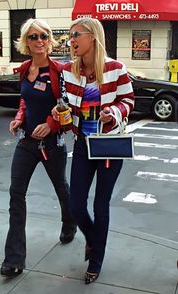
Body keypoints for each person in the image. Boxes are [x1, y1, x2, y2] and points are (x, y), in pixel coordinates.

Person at [53, 18, 135, 284]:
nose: (71, 40)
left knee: (101, 205)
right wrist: (60, 112)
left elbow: (128, 100)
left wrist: (115, 110)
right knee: (76, 204)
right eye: (70, 35)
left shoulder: (115, 68)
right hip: (82, 144)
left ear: (93, 37)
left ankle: (96, 260)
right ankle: (92, 239)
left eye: (76, 34)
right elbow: (65, 102)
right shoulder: (69, 70)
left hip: (107, 145)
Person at [0, 18, 77, 278]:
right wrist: (19, 118)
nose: (39, 40)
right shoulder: (25, 69)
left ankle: (70, 222)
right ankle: (14, 259)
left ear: (50, 40)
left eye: (44, 35)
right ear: (26, 42)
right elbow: (25, 99)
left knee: (61, 188)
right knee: (16, 194)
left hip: (51, 144)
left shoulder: (60, 71)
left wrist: (51, 123)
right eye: (33, 37)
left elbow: (67, 105)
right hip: (26, 143)